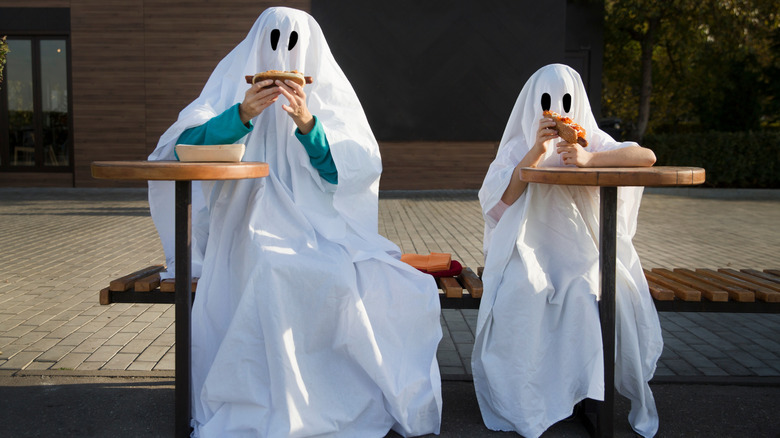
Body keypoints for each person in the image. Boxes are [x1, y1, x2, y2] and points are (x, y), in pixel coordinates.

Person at [147, 7, 442, 437]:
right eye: (273, 42)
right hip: (244, 221)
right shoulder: (231, 85)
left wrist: (308, 124)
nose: (282, 58)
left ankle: (322, 396)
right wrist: (241, 115)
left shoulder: (328, 97)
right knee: (273, 271)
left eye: (292, 45)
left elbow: (353, 168)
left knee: (372, 281)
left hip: (317, 224)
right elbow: (180, 148)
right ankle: (266, 396)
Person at [472, 64, 663, 438]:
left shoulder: (591, 139)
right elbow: (498, 203)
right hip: (527, 247)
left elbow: (646, 156)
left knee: (583, 292)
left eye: (564, 101)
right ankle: (527, 398)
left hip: (584, 248)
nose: (556, 109)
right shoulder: (518, 147)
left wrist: (592, 159)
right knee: (523, 291)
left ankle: (584, 392)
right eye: (546, 101)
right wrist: (536, 151)